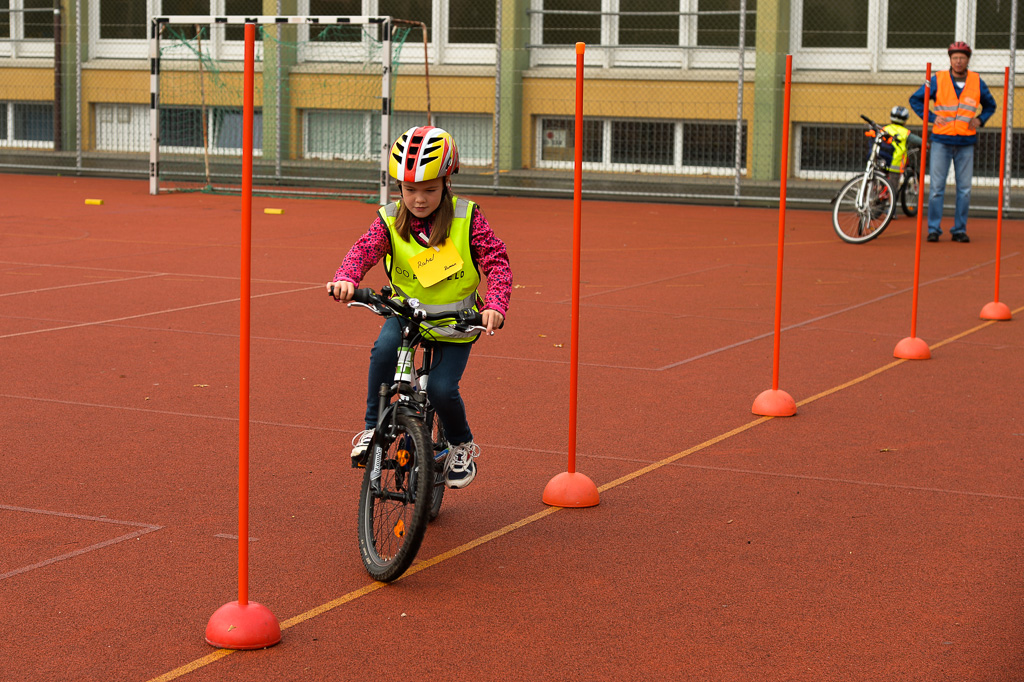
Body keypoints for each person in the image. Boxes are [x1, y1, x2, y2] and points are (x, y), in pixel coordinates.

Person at [326, 126, 512, 489]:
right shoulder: (390, 219)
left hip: (455, 323)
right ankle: (370, 429)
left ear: (447, 183)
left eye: (429, 190)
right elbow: (363, 250)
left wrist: (495, 304)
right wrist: (346, 277)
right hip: (407, 316)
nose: (419, 199)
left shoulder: (467, 217)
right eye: (410, 190)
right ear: (399, 188)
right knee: (383, 351)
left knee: (442, 390)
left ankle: (460, 445)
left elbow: (496, 261)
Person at [909, 41, 997, 243]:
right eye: (955, 57)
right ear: (950, 59)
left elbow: (991, 105)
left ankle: (959, 229)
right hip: (941, 141)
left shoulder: (977, 81)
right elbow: (915, 99)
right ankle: (933, 229)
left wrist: (980, 119)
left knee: (964, 190)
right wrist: (931, 118)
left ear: (968, 60)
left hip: (966, 142)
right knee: (937, 189)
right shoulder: (938, 79)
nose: (958, 61)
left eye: (962, 58)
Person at [881, 105, 922, 191]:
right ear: (905, 121)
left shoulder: (885, 129)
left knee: (881, 180)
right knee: (892, 188)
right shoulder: (905, 133)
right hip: (895, 165)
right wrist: (927, 145)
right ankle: (891, 202)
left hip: (882, 161)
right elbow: (920, 141)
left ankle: (877, 191)